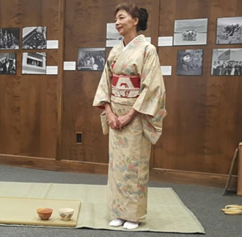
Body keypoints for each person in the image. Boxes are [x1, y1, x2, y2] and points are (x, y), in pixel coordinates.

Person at [92, 3, 167, 230]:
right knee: (116, 166)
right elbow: (105, 84)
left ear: (135, 20)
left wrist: (130, 114)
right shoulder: (115, 51)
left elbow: (152, 87)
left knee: (134, 165)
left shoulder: (147, 50)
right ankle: (117, 211)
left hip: (135, 116)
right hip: (116, 114)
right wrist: (110, 112)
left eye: (121, 17)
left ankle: (133, 215)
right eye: (116, 19)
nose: (117, 22)